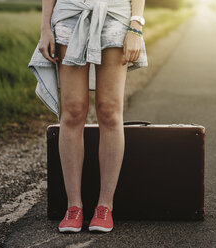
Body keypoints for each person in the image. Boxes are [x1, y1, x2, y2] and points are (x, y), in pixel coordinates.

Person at [38, 0, 147, 233]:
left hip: (116, 15)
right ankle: (73, 206)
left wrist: (136, 24)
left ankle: (105, 206)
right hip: (70, 13)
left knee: (109, 110)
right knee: (73, 111)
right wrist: (45, 28)